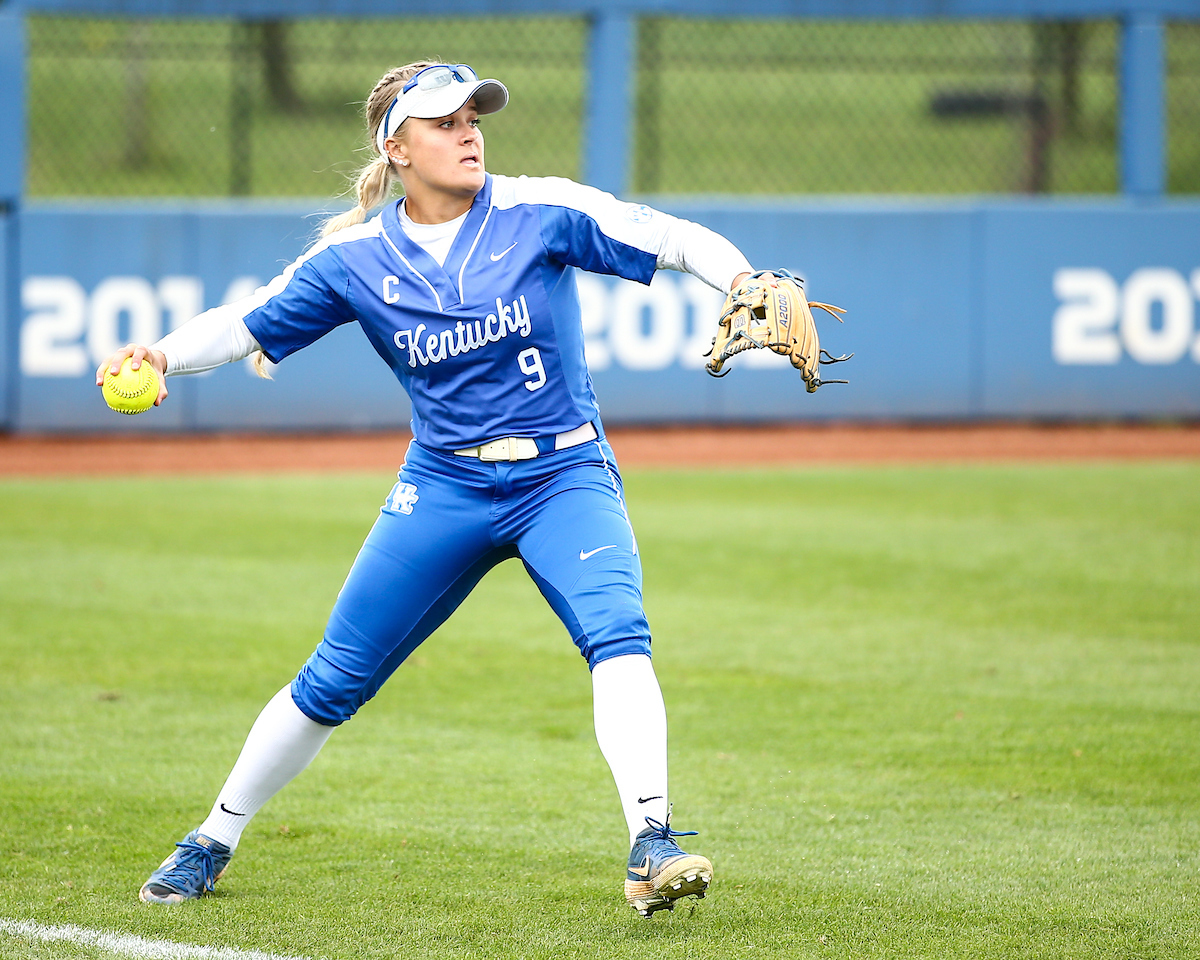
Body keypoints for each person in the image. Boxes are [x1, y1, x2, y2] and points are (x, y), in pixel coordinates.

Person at [97, 61, 759, 918]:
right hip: (444, 485)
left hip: (563, 474)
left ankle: (652, 839)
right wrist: (159, 354)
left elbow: (669, 237)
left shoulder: (536, 211)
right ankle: (211, 839)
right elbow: (247, 323)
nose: (469, 130)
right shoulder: (355, 260)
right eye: (444, 121)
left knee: (617, 634)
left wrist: (742, 279)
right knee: (334, 679)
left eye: (473, 116)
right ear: (396, 147)